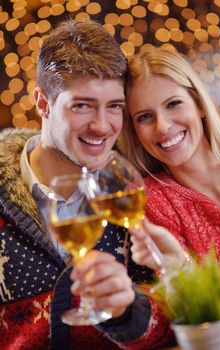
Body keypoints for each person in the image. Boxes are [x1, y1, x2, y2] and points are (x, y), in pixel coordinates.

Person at [0, 19, 156, 350]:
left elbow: (171, 317)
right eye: (82, 105)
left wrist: (127, 311)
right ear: (43, 103)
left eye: (114, 106)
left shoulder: (130, 193)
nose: (102, 126)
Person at [71, 47, 220, 349]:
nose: (163, 126)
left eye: (173, 104)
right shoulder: (150, 202)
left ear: (198, 103)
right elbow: (181, 320)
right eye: (145, 117)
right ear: (134, 131)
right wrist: (177, 264)